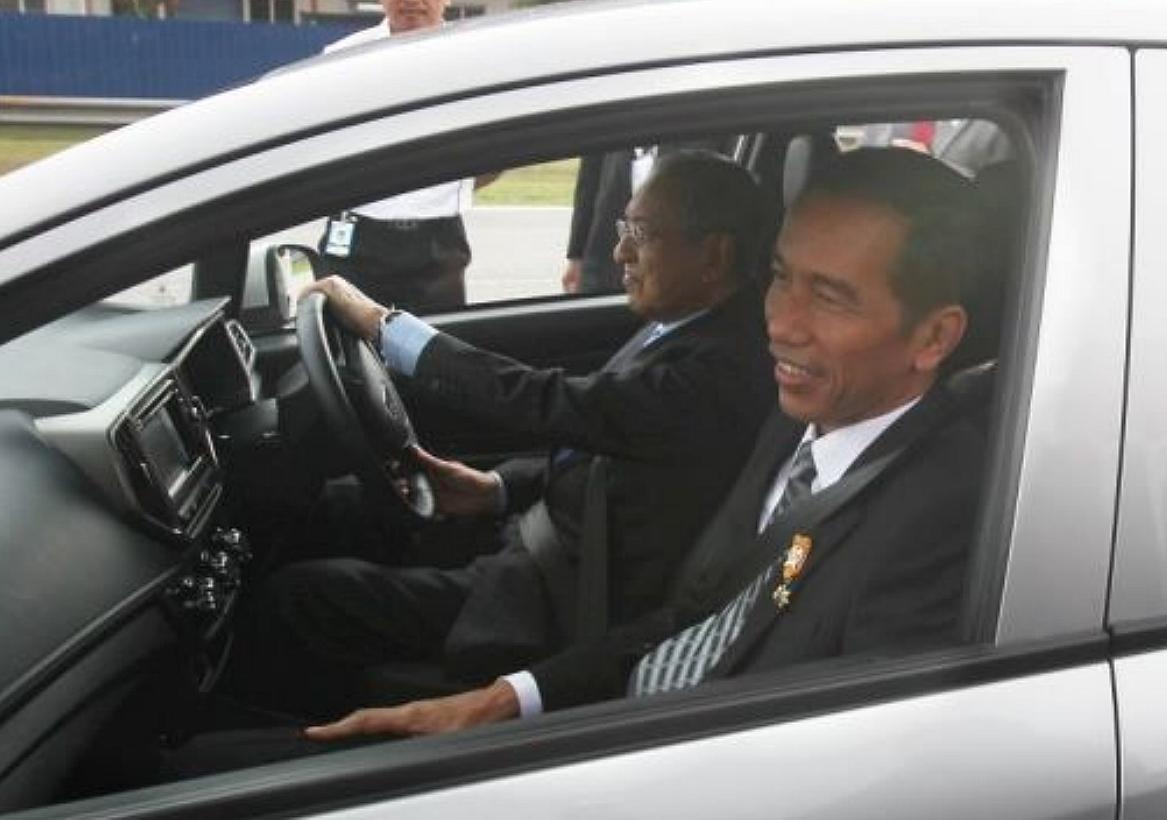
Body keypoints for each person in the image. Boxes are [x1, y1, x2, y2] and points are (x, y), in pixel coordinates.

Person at [298, 146, 991, 740]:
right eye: (781, 278)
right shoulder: (793, 426)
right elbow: (695, 614)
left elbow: (859, 761)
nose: (779, 323)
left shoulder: (942, 515)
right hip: (604, 707)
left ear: (934, 337)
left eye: (831, 297)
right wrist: (505, 701)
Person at [241, 151, 776, 722]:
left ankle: (278, 756)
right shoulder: (683, 327)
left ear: (714, 254)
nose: (619, 251)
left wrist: (387, 327)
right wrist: (494, 488)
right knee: (336, 510)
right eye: (622, 228)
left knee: (302, 595)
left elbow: (551, 402)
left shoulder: (721, 369)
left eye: (640, 233)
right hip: (533, 537)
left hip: (547, 598)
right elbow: (607, 443)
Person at [313, 0, 495, 311]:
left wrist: (444, 187)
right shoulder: (341, 60)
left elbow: (495, 151)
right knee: (344, 351)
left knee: (433, 351)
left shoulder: (474, 60)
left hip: (437, 243)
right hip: (357, 240)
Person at [564, 138, 745, 294]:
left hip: (677, 276)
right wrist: (577, 255)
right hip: (602, 259)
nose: (621, 253)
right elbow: (590, 172)